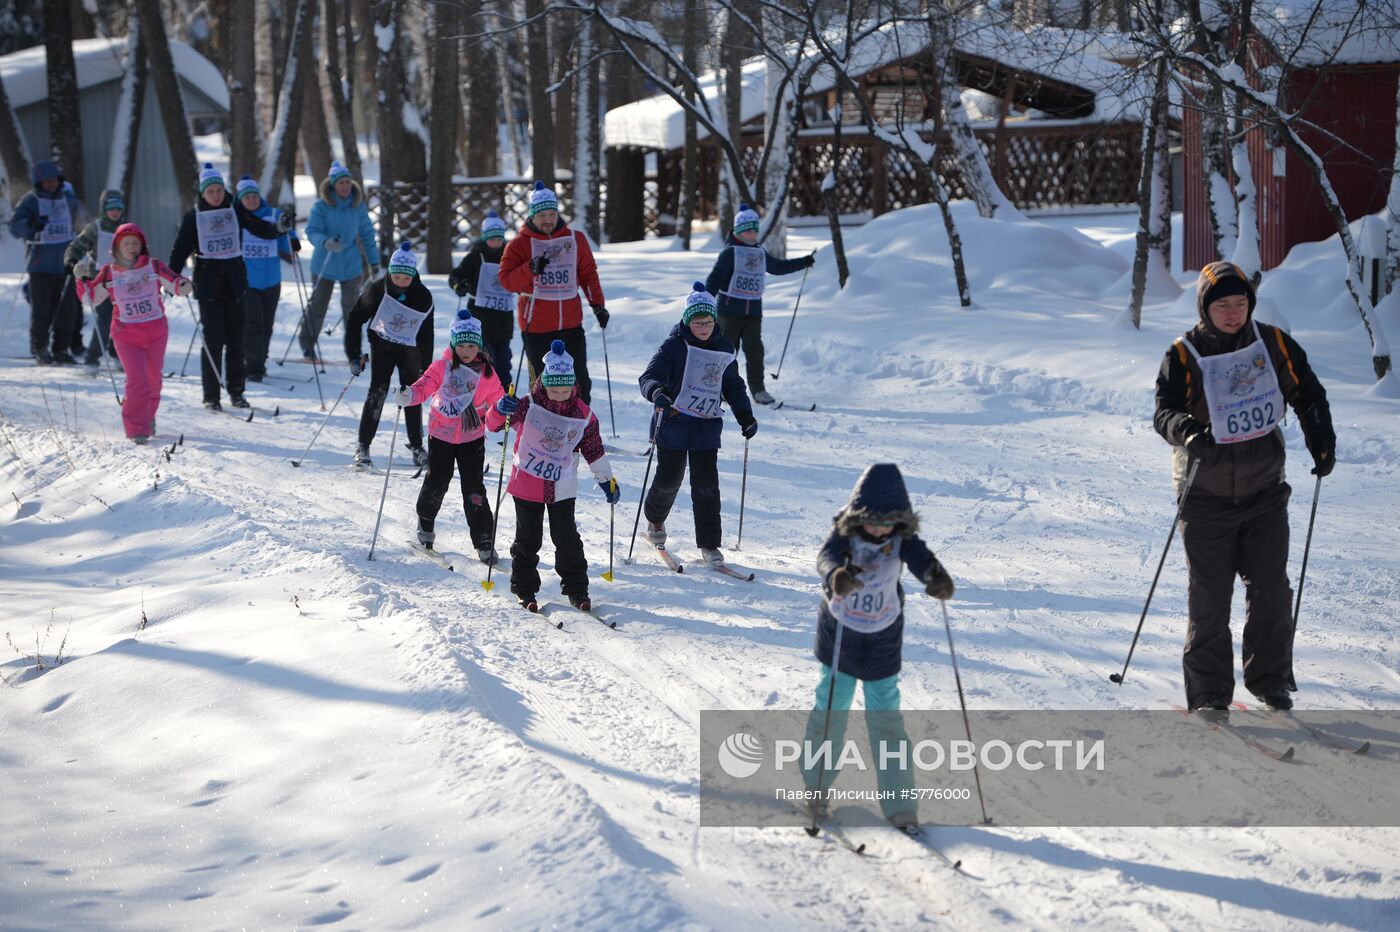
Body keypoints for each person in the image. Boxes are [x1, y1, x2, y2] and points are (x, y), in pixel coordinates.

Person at [1154, 260, 1335, 717]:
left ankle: (1270, 679)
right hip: (1205, 494)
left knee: (1272, 588)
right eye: (1222, 305)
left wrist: (1321, 438)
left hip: (1264, 490)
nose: (1233, 313)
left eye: (1241, 303)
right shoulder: (1184, 354)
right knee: (1210, 595)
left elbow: (1308, 392)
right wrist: (1189, 432)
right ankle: (1211, 691)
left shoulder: (1272, 343)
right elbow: (1165, 411)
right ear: (1205, 308)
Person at [802, 463, 956, 832]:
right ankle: (817, 789)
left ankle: (901, 805)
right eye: (871, 521)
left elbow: (921, 560)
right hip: (841, 633)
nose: (878, 528)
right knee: (831, 711)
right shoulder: (845, 535)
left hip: (883, 637)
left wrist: (936, 577)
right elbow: (825, 558)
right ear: (858, 515)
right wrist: (836, 575)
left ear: (900, 521)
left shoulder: (902, 539)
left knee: (886, 719)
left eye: (887, 523)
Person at [485, 339, 620, 613]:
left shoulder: (583, 415)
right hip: (527, 484)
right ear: (544, 383)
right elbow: (494, 425)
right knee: (528, 539)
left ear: (574, 385)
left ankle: (577, 589)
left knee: (567, 537)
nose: (559, 395)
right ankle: (524, 589)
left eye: (564, 390)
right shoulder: (528, 405)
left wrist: (606, 480)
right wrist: (500, 409)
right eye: (554, 389)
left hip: (562, 486)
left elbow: (593, 450)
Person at [636, 282, 758, 569]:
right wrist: (656, 391)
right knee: (669, 480)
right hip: (673, 424)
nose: (703, 327)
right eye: (697, 322)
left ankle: (709, 543)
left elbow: (733, 386)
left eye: (707, 321)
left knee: (706, 486)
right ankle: (655, 521)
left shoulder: (724, 348)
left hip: (705, 427)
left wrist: (746, 416)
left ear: (714, 321)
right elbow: (649, 376)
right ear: (687, 320)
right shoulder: (674, 346)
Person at [169, 163, 293, 411]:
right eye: (210, 191)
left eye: (218, 190)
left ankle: (237, 391)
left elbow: (258, 228)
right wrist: (173, 277)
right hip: (208, 286)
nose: (215, 195)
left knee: (236, 341)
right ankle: (211, 396)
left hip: (236, 285)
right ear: (203, 193)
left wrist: (278, 228)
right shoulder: (195, 215)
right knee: (213, 341)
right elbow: (181, 248)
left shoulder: (234, 209)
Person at [394, 309, 506, 564]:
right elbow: (423, 387)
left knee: (474, 488)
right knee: (437, 482)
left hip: (472, 437)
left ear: (479, 346)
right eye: (461, 345)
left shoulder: (487, 373)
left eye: (471, 345)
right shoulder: (442, 368)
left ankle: (484, 540)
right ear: (453, 345)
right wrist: (408, 395)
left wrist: (504, 408)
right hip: (442, 435)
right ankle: (425, 525)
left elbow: (496, 403)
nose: (466, 351)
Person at [498, 182, 608, 403]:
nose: (548, 220)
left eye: (552, 213)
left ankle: (580, 433)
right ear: (532, 216)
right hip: (536, 327)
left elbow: (588, 274)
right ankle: (541, 434)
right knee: (544, 387)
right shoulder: (519, 245)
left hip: (571, 326)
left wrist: (598, 305)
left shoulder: (576, 240)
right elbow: (507, 281)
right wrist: (529, 269)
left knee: (579, 384)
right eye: (542, 215)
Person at [87, 223, 192, 443]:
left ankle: (148, 416)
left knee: (154, 380)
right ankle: (136, 428)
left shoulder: (153, 266)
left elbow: (173, 281)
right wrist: (82, 279)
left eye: (136, 242)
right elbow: (92, 297)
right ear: (117, 247)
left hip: (155, 332)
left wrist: (182, 284)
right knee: (138, 380)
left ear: (142, 245)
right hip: (126, 335)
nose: (132, 247)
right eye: (126, 243)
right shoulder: (109, 271)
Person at [704, 203, 815, 405]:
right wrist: (704, 300)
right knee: (727, 352)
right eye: (748, 229)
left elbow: (778, 267)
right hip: (729, 312)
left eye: (755, 229)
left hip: (753, 313)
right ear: (738, 230)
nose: (753, 233)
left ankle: (758, 390)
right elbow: (715, 279)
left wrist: (803, 262)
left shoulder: (759, 253)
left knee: (755, 351)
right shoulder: (730, 253)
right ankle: (721, 389)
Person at [345, 242, 433, 469]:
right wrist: (354, 355)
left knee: (411, 395)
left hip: (410, 350)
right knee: (378, 392)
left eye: (407, 278)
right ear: (390, 272)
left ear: (414, 275)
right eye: (397, 277)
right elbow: (355, 319)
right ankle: (363, 445)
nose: (402, 283)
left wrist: (426, 366)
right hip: (382, 349)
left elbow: (426, 334)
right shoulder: (377, 290)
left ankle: (417, 446)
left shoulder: (423, 296)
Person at [7, 160, 82, 364]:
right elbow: (14, 226)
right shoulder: (31, 200)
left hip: (65, 264)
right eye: (46, 181)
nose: (51, 184)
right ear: (38, 182)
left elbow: (79, 221)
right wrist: (31, 225)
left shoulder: (67, 198)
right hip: (40, 265)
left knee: (66, 311)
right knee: (42, 310)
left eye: (54, 179)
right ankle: (39, 347)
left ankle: (61, 349)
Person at [304, 160, 380, 359]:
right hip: (325, 261)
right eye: (341, 183)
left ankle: (352, 350)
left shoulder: (358, 206)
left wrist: (374, 263)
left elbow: (367, 235)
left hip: (350, 264)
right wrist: (325, 241)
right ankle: (307, 344)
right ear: (332, 185)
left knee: (352, 310)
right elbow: (311, 231)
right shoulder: (321, 206)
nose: (345, 186)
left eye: (347, 182)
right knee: (318, 305)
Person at [234, 175, 300, 382]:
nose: (251, 200)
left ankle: (258, 360)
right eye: (247, 197)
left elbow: (287, 240)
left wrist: (293, 239)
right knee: (253, 324)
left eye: (254, 196)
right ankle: (253, 366)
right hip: (248, 281)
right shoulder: (237, 218)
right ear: (240, 199)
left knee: (266, 325)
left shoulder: (273, 215)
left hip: (271, 281)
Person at [447, 209, 516, 384]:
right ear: (485, 238)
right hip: (480, 318)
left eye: (499, 238)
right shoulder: (474, 257)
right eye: (492, 238)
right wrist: (459, 286)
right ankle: (480, 397)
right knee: (483, 360)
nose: (496, 242)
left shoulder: (510, 256)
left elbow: (518, 277)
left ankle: (505, 398)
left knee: (503, 361)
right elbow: (455, 275)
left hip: (503, 319)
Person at [65, 188, 127, 372]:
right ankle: (92, 358)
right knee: (106, 317)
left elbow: (137, 250)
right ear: (103, 209)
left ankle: (116, 352)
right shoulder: (95, 228)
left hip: (122, 282)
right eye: (111, 208)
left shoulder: (125, 229)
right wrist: (71, 261)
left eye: (118, 208)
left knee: (122, 318)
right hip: (99, 281)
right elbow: (76, 246)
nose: (115, 212)